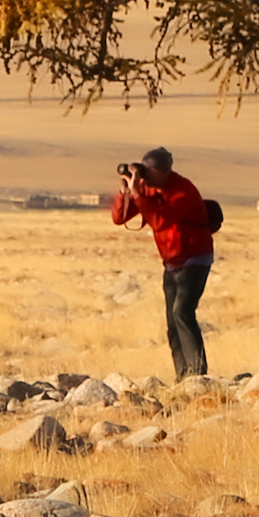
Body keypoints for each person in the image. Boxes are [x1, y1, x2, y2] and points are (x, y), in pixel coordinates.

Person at [110, 147, 217, 379]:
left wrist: (139, 195)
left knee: (183, 312)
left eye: (151, 172)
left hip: (195, 259)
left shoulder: (184, 190)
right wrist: (125, 192)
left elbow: (160, 221)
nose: (147, 176)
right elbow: (120, 218)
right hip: (171, 262)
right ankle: (183, 375)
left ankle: (198, 374)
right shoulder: (146, 188)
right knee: (172, 322)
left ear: (164, 171)